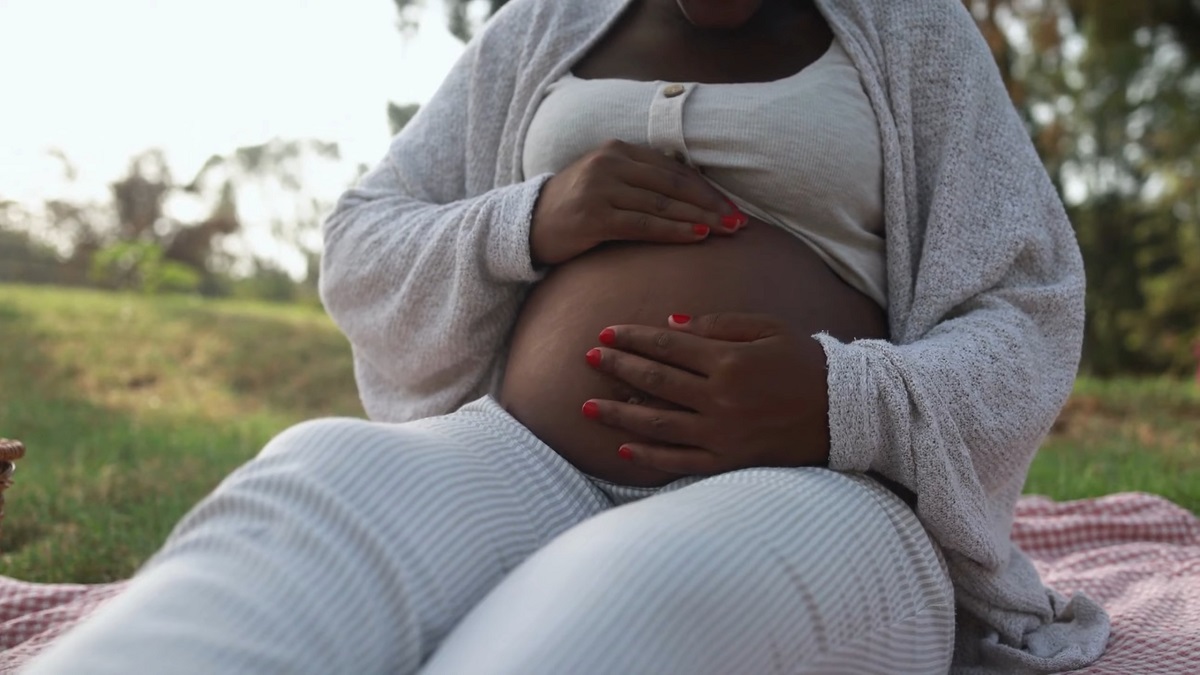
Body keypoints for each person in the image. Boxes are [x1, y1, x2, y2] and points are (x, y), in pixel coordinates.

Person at [24, 0, 1111, 673]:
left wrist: (838, 400)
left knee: (616, 601)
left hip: (821, 493)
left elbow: (1028, 307)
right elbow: (362, 240)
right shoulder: (543, 23)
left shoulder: (915, 30)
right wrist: (529, 218)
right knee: (308, 485)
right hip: (519, 462)